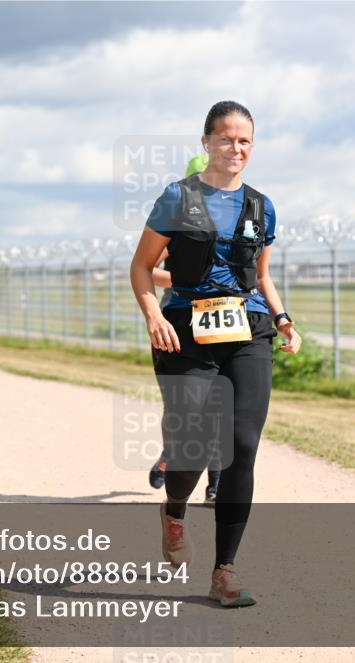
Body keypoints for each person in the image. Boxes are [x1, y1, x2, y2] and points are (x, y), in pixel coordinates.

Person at [130, 101, 301, 608]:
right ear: (206, 142)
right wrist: (154, 316)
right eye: (226, 139)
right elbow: (141, 268)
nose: (236, 148)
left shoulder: (261, 206)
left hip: (248, 331)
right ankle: (175, 509)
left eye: (245, 140)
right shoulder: (176, 198)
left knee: (242, 444)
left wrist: (285, 318)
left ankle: (224, 570)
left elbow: (262, 274)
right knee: (192, 446)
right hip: (184, 330)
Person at [148, 154, 222, 503]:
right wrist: (186, 280)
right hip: (178, 321)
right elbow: (148, 271)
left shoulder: (234, 215)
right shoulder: (177, 219)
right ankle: (169, 454)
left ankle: (215, 484)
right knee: (179, 406)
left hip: (223, 322)